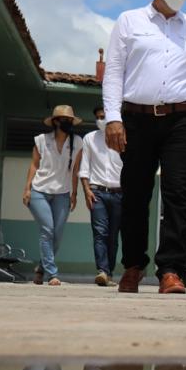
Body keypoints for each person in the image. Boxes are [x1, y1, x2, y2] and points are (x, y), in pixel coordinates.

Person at [103, 0, 186, 295]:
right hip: (136, 118)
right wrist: (113, 118)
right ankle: (133, 266)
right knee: (135, 195)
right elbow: (114, 72)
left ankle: (171, 270)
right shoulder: (129, 21)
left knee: (178, 194)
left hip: (181, 119)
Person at [23, 106, 82, 285]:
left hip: (62, 193)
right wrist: (27, 189)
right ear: (55, 122)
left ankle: (41, 268)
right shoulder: (41, 140)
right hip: (39, 191)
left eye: (70, 120)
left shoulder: (78, 142)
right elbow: (34, 165)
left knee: (57, 235)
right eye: (65, 120)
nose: (68, 122)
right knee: (47, 230)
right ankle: (52, 274)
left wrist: (74, 194)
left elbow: (75, 170)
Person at [80, 104, 124, 286]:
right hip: (97, 192)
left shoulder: (124, 137)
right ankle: (102, 271)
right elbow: (84, 167)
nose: (101, 120)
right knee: (100, 233)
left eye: (104, 116)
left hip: (119, 193)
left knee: (113, 237)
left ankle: (109, 273)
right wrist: (86, 190)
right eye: (98, 117)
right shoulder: (89, 138)